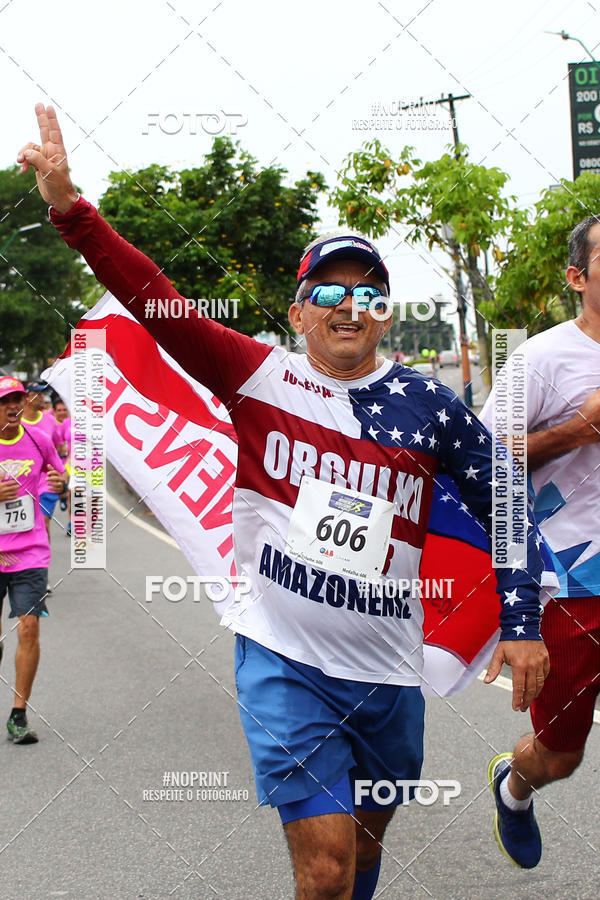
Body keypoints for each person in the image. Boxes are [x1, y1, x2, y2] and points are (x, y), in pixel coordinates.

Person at [18, 103, 550, 898]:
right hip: (283, 659)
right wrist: (71, 212)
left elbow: (505, 496)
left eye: (369, 293)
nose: (348, 305)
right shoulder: (257, 376)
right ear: (298, 311)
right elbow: (154, 294)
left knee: (364, 852)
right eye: (328, 290)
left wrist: (522, 623)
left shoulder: (428, 407)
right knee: (325, 868)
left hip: (386, 674)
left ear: (385, 315)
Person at [480, 215, 600, 869]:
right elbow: (488, 460)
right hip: (574, 582)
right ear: (577, 277)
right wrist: (577, 430)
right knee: (559, 753)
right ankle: (515, 785)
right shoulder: (541, 359)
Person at [0, 376, 67, 744]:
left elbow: (55, 475)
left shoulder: (37, 438)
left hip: (30, 551)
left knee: (29, 628)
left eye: (16, 399)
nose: (12, 406)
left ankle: (18, 714)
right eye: (4, 401)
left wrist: (56, 486)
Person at [21, 381, 65, 540]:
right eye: (37, 394)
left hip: (46, 482)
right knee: (27, 527)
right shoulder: (16, 423)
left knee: (44, 523)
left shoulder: (50, 421)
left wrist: (63, 477)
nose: (42, 397)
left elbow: (59, 447)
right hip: (24, 481)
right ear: (27, 398)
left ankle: (43, 561)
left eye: (42, 393)